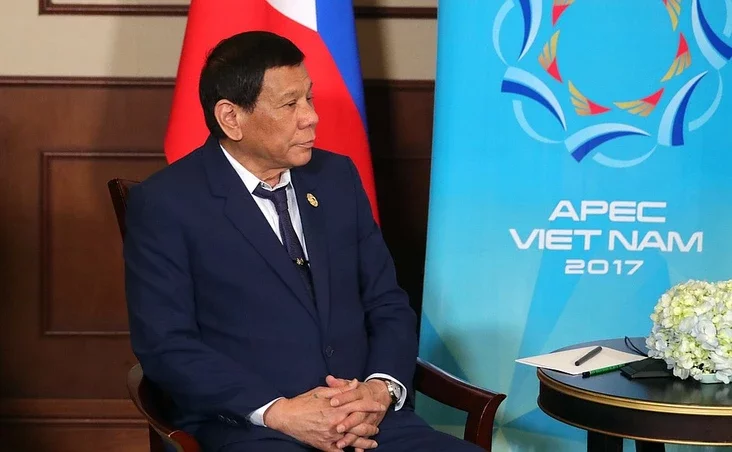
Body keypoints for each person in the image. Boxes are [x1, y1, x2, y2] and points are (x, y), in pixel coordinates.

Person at [123, 30, 483, 452]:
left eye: (308, 98)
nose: (311, 117)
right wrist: (277, 412)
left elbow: (387, 302)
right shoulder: (167, 203)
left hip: (368, 422)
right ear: (231, 118)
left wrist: (379, 390)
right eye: (290, 104)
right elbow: (166, 344)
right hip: (253, 428)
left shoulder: (336, 178)